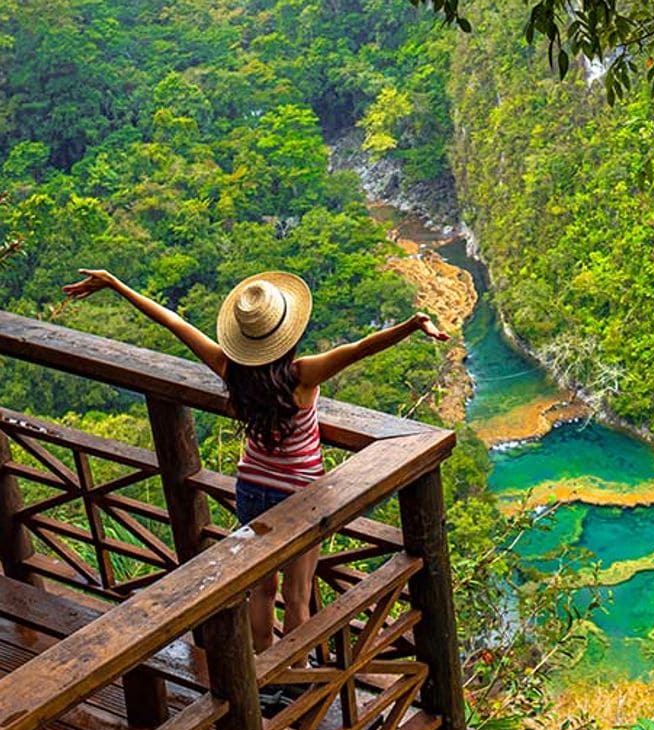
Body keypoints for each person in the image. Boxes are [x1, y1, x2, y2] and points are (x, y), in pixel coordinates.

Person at [61, 268, 449, 654]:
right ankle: (294, 673)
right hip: (302, 495)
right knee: (298, 595)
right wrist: (411, 325)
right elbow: (362, 348)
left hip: (251, 488)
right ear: (286, 335)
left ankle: (265, 670)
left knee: (263, 589)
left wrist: (116, 283)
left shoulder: (230, 370)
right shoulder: (302, 374)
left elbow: (173, 322)